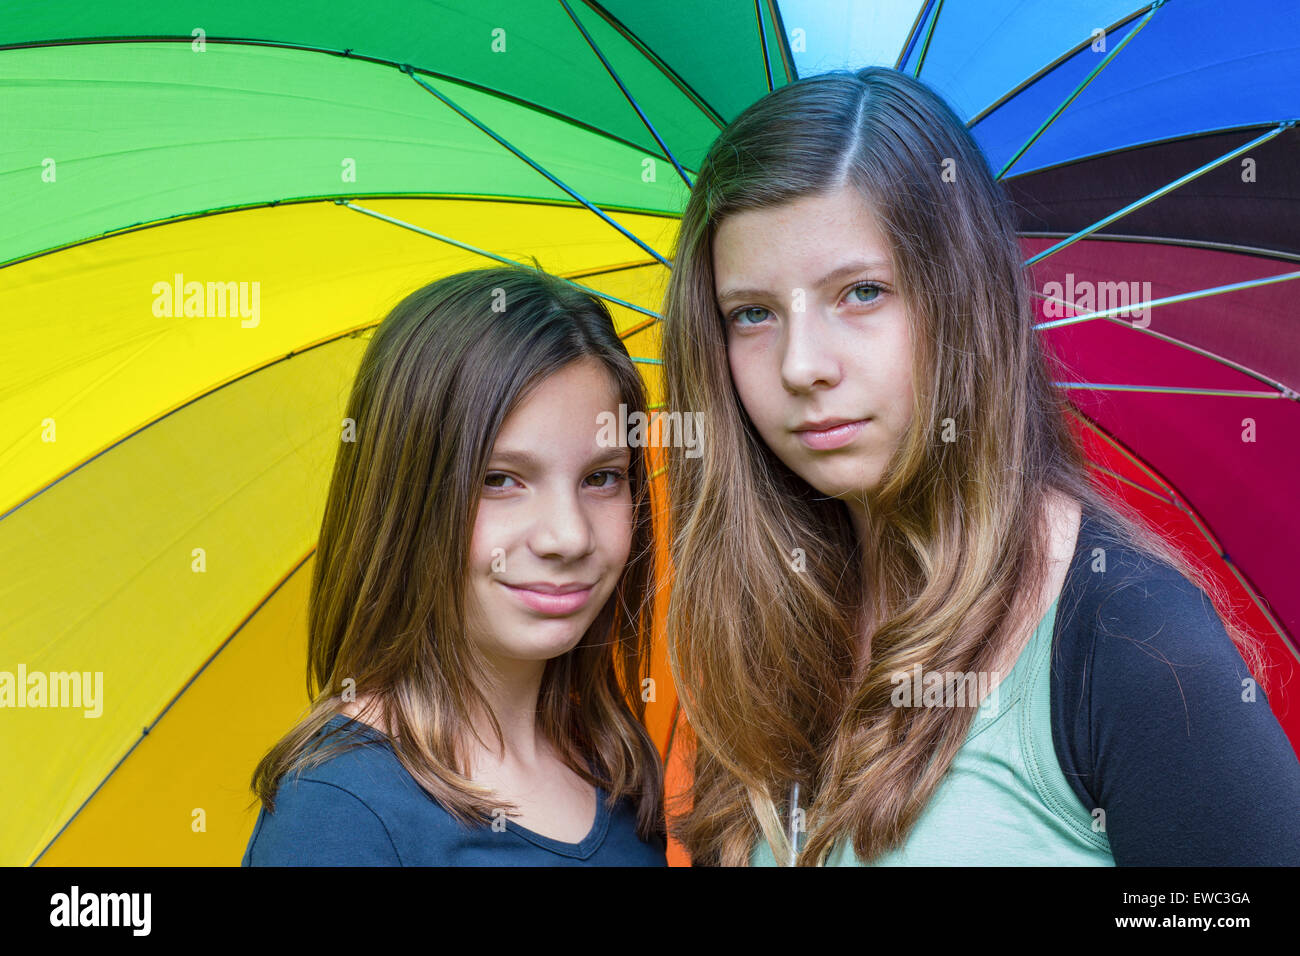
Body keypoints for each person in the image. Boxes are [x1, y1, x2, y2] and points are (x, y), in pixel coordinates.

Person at [658, 66, 1300, 866]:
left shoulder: (1130, 640)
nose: (801, 365)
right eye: (751, 313)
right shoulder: (761, 639)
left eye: (860, 292)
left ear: (962, 301)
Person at [243, 264, 667, 865]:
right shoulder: (339, 813)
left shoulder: (617, 768)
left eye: (602, 478)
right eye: (499, 480)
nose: (569, 537)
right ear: (406, 495)